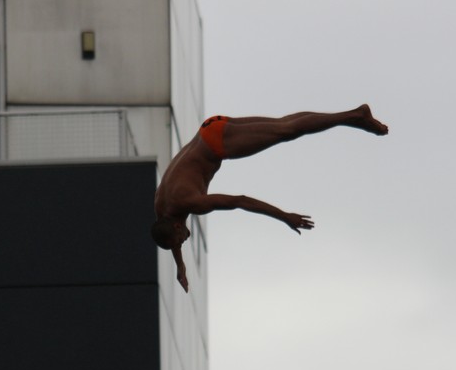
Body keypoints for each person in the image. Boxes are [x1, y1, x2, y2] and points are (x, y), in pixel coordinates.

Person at [152, 105, 389, 291]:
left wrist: (284, 216)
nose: (183, 242)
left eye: (180, 240)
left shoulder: (191, 203)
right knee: (284, 125)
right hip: (210, 128)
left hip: (217, 143)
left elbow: (240, 201)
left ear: (177, 226)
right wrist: (180, 265)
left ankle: (353, 116)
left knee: (287, 130)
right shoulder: (160, 205)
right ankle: (352, 116)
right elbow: (169, 232)